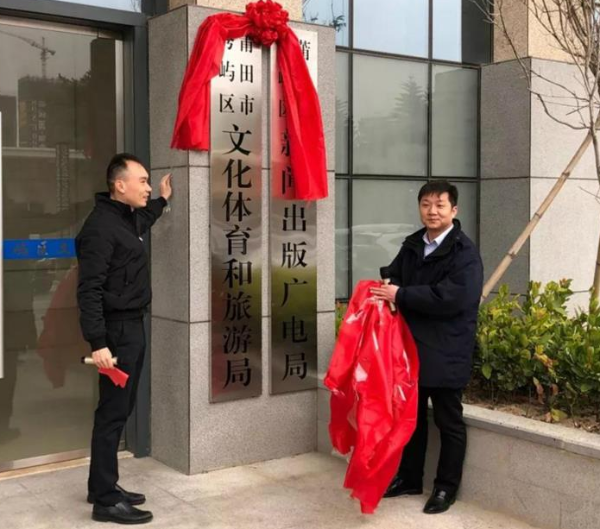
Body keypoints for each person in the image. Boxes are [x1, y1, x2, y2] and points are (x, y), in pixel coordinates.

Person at [370, 180, 483, 515]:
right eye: (426, 204)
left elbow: (453, 298)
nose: (432, 211)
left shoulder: (464, 253)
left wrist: (401, 294)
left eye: (440, 205)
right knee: (412, 418)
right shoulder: (413, 244)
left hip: (447, 348)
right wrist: (386, 286)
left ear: (454, 210)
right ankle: (409, 478)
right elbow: (394, 275)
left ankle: (445, 488)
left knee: (449, 422)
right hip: (411, 348)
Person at [76, 153, 172, 524]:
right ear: (120, 185)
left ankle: (100, 485)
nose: (147, 187)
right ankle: (105, 500)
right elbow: (89, 290)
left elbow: (144, 220)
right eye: (142, 181)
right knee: (113, 413)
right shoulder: (100, 228)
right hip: (116, 333)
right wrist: (98, 342)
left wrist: (162, 200)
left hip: (131, 327)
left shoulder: (125, 218)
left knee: (120, 408)